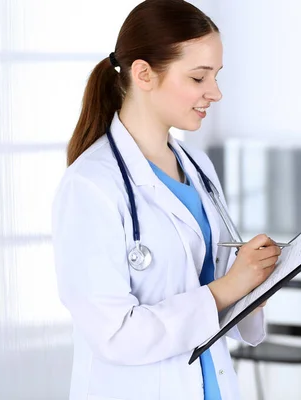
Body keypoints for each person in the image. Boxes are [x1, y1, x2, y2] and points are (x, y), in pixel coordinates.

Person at [51, 1, 281, 399]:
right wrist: (229, 287)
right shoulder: (90, 186)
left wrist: (255, 285)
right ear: (143, 74)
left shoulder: (198, 166)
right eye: (198, 77)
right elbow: (115, 335)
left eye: (216, 76)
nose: (216, 92)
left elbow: (213, 292)